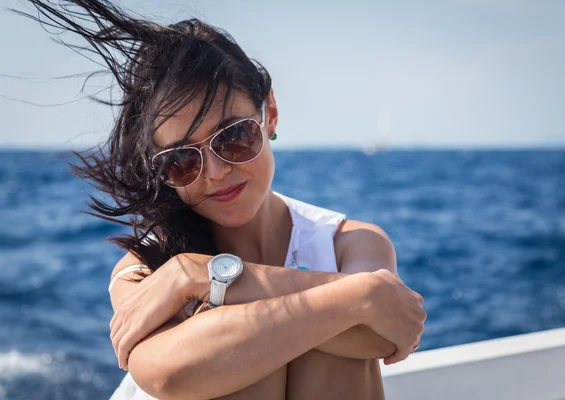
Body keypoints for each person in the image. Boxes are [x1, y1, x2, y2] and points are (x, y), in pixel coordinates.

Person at [18, 1, 426, 398]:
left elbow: (388, 331)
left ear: (270, 113)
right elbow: (168, 373)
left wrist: (203, 277)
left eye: (233, 136)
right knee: (242, 344)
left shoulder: (348, 242)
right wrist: (358, 296)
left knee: (323, 342)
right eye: (181, 159)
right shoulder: (147, 266)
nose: (214, 172)